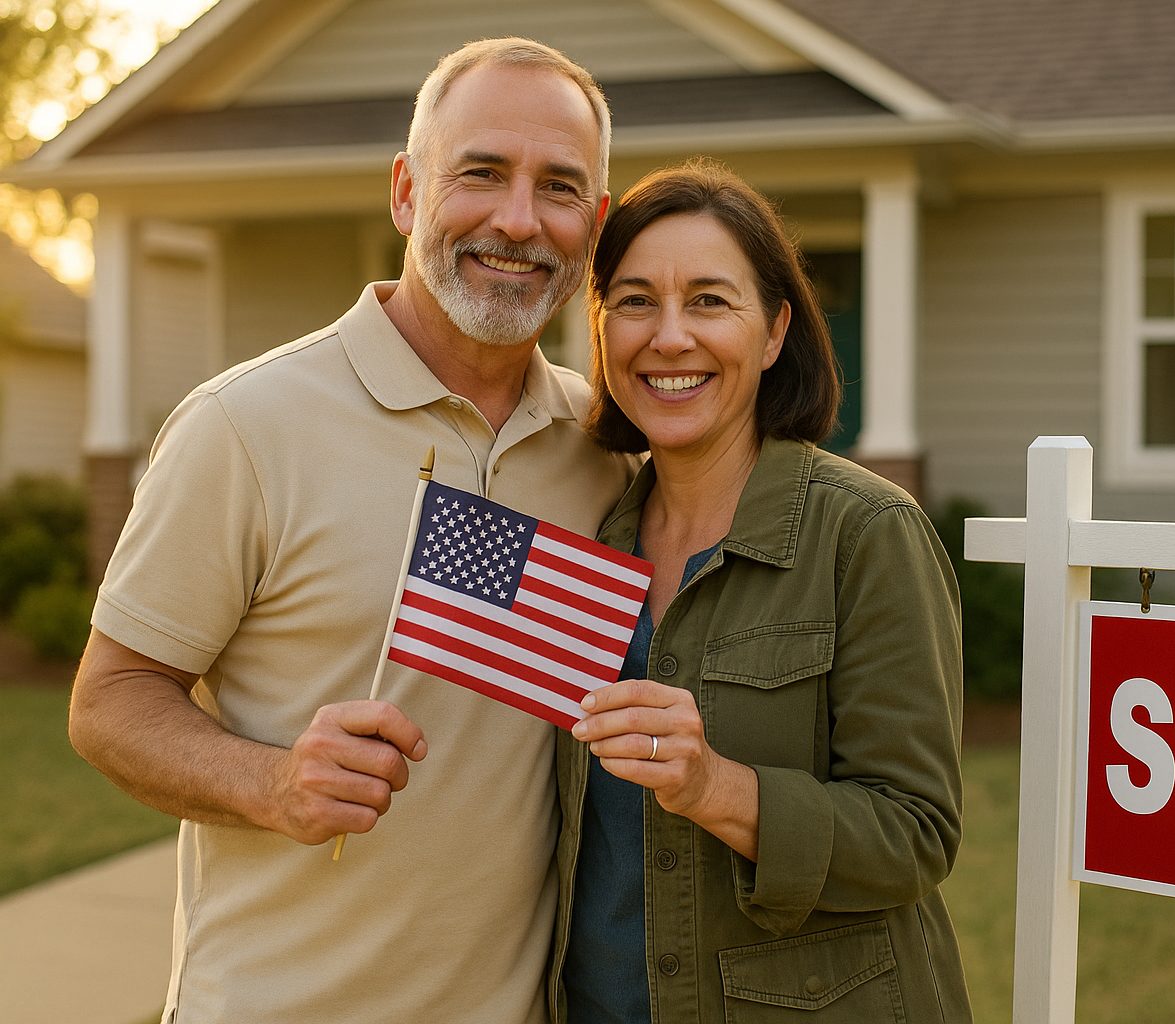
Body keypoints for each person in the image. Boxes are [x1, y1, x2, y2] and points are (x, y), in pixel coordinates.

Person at [67, 38, 632, 1023]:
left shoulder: (607, 448)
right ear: (408, 192)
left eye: (559, 187)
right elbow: (109, 702)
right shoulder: (246, 425)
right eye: (481, 172)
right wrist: (274, 782)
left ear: (597, 222)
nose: (518, 219)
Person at [552, 159, 972, 1022]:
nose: (670, 337)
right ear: (600, 328)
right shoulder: (586, 544)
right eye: (635, 301)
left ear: (775, 331)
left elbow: (917, 834)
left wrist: (717, 788)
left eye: (710, 301)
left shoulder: (866, 533)